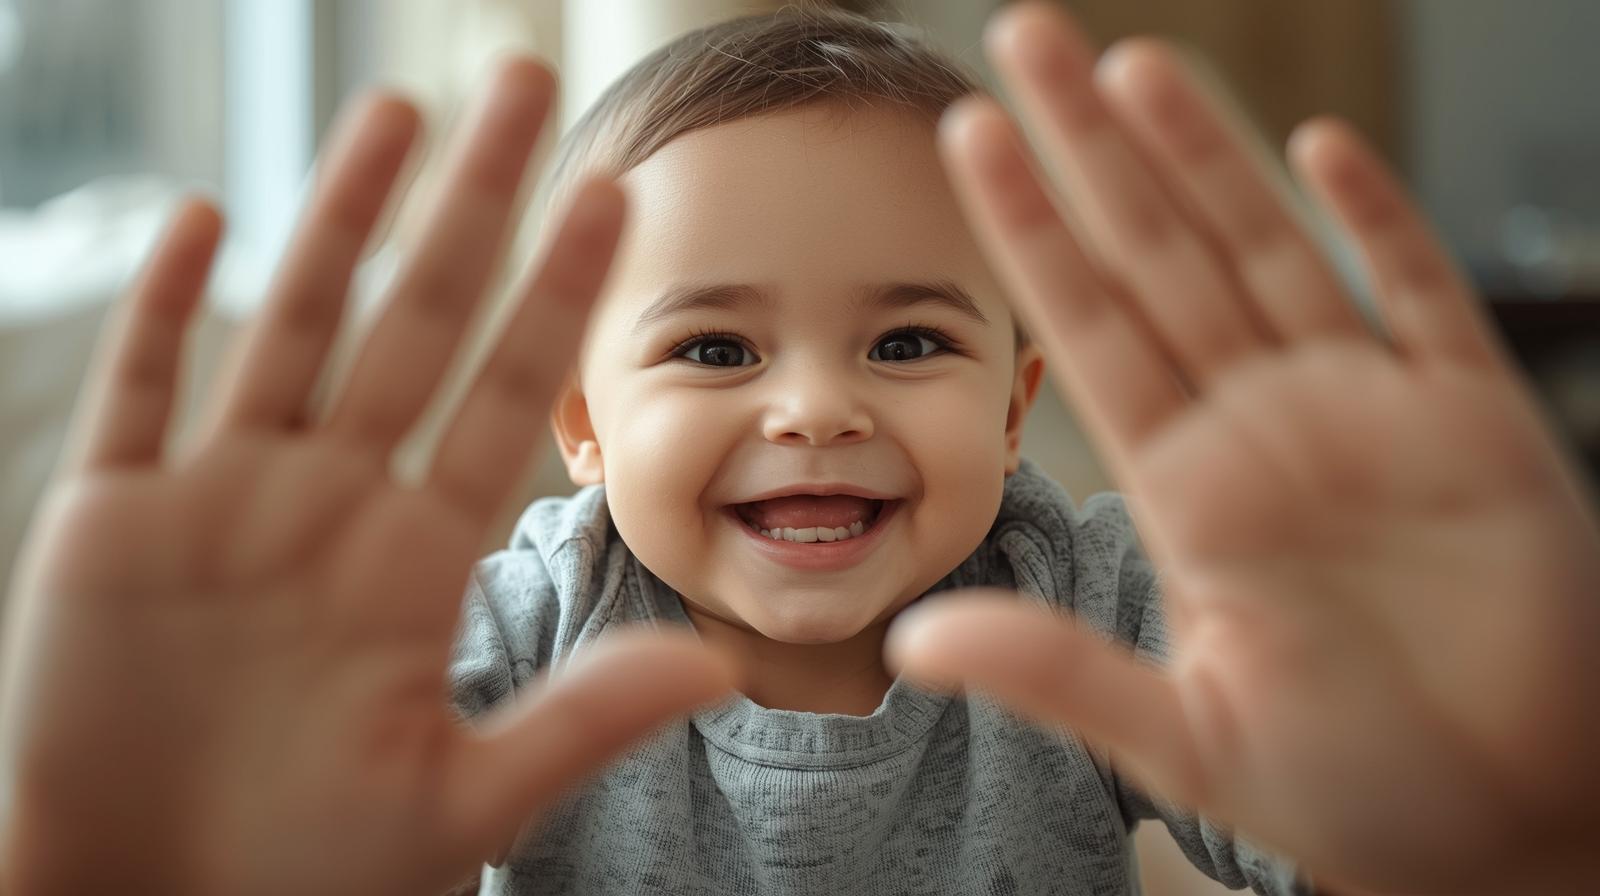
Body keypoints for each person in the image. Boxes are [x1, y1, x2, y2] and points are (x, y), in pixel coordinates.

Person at [2, 2, 1596, 895]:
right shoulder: (533, 619)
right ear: (580, 426)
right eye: (714, 349)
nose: (815, 409)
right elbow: (281, 798)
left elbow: (1359, 799)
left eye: (909, 343)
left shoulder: (1085, 597)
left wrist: (1525, 843)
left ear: (1016, 408)